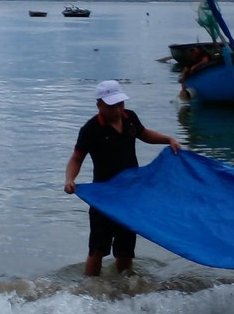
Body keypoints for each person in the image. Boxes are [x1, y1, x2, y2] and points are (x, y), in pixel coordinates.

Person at [64, 79, 181, 276]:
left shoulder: (130, 118)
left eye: (120, 104)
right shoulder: (90, 129)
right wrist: (69, 179)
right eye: (112, 106)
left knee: (126, 249)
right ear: (99, 105)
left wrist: (167, 140)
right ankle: (89, 290)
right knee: (97, 249)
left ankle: (124, 290)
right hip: (104, 198)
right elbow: (76, 158)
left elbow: (144, 134)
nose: (118, 110)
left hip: (130, 197)